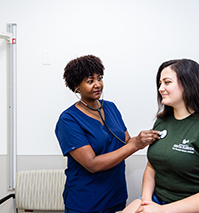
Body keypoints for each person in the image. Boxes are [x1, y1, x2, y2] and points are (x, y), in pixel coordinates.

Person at [122, 59, 199, 213]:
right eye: (160, 83)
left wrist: (161, 211)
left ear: (189, 84)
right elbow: (152, 167)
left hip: (194, 208)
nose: (161, 88)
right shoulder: (162, 122)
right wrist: (146, 203)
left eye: (167, 82)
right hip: (158, 201)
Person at [55, 55, 160, 213]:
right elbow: (92, 164)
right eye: (90, 81)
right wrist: (136, 144)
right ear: (77, 87)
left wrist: (145, 138)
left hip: (116, 196)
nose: (97, 85)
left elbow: (125, 142)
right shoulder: (68, 119)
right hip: (86, 202)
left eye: (100, 78)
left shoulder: (111, 108)